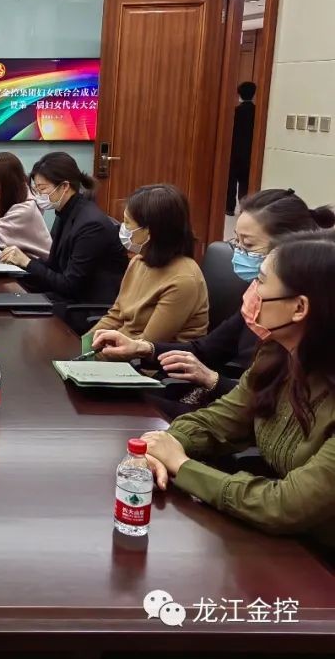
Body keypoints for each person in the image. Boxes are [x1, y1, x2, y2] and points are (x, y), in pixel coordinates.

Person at [140, 230, 335, 552]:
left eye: (261, 281)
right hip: (282, 543)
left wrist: (182, 466)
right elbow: (219, 420)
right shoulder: (277, 354)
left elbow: (285, 506)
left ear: (299, 307)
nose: (250, 291)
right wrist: (167, 444)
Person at [95, 189, 335, 413]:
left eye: (248, 245)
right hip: (229, 404)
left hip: (245, 413)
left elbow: (276, 405)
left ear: (287, 251)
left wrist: (213, 380)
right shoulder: (256, 298)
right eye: (236, 241)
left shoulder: (306, 326)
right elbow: (207, 350)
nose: (238, 252)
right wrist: (142, 348)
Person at [0, 152, 127, 307]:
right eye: (36, 189)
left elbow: (70, 286)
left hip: (84, 306)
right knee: (4, 295)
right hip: (65, 297)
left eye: (42, 188)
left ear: (65, 186)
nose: (38, 195)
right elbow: (54, 266)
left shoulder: (91, 225)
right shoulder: (65, 212)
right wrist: (18, 262)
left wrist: (27, 262)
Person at [89, 184, 209, 346]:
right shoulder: (138, 261)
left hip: (149, 359)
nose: (123, 228)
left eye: (127, 223)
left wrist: (92, 354)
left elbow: (148, 345)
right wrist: (82, 345)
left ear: (150, 231)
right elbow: (116, 316)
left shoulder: (183, 280)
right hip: (119, 347)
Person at [226, 81, 256, 216]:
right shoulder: (257, 113)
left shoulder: (235, 112)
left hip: (234, 150)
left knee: (231, 181)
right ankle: (244, 207)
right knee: (245, 182)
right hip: (249, 151)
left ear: (239, 94)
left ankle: (229, 208)